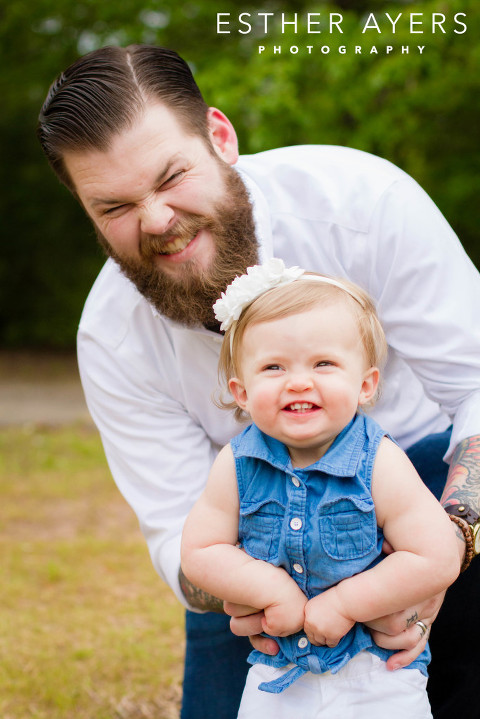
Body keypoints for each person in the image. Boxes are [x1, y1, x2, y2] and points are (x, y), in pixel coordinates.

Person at [36, 44, 480, 719]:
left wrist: (447, 544)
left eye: (172, 176)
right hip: (255, 557)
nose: (156, 220)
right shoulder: (112, 337)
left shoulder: (362, 201)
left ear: (220, 136)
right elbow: (177, 533)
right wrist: (247, 586)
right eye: (115, 206)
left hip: (423, 487)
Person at [181, 261, 461, 718]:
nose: (298, 380)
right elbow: (200, 550)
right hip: (276, 668)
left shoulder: (381, 463)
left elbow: (436, 555)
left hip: (375, 668)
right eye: (273, 366)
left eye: (324, 363)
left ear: (366, 384)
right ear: (242, 392)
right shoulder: (235, 464)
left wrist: (346, 603)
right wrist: (272, 590)